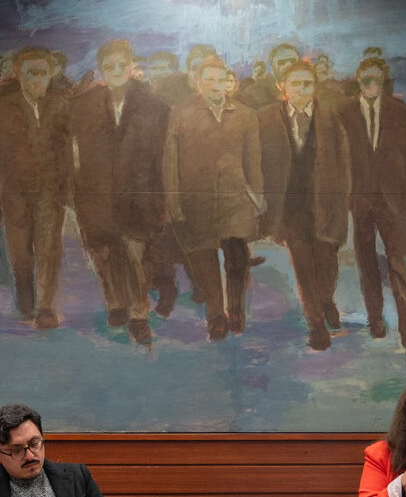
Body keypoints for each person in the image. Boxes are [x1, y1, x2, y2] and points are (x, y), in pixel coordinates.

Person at [337, 57, 406, 369]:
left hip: (391, 202)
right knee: (366, 261)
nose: (371, 85)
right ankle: (375, 316)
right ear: (359, 80)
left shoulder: (403, 114)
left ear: (383, 79)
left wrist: (401, 203)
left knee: (398, 266)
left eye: (376, 79)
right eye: (365, 80)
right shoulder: (344, 112)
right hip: (360, 199)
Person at [71, 38, 166, 346]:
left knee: (136, 256)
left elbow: (162, 155)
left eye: (120, 65)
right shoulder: (84, 104)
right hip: (97, 194)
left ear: (131, 66)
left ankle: (139, 314)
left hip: (138, 194)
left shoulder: (153, 104)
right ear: (101, 70)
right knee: (104, 253)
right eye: (108, 67)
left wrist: (161, 196)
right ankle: (115, 304)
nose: (114, 71)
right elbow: (74, 152)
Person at [163, 56, 263, 340]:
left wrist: (257, 199)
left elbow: (253, 162)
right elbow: (171, 161)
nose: (217, 86)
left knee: (236, 259)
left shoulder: (246, 115)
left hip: (236, 198)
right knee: (204, 257)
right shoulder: (181, 114)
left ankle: (236, 309)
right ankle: (216, 315)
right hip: (198, 198)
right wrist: (173, 200)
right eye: (210, 79)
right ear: (197, 82)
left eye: (222, 80)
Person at [258, 59, 350, 352]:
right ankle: (316, 324)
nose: (300, 89)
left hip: (324, 202)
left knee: (327, 258)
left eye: (306, 84)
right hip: (289, 206)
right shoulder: (266, 118)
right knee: (302, 263)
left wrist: (342, 200)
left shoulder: (330, 118)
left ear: (315, 87)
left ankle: (326, 299)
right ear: (281, 87)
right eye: (294, 83)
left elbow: (343, 163)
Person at [0, 46, 71, 328]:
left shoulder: (61, 104)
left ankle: (45, 306)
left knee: (49, 247)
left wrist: (67, 185)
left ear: (51, 74)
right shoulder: (5, 107)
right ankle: (25, 294)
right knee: (20, 249)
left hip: (50, 189)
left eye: (42, 73)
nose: (36, 80)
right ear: (18, 74)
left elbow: (66, 149)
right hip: (15, 190)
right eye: (30, 74)